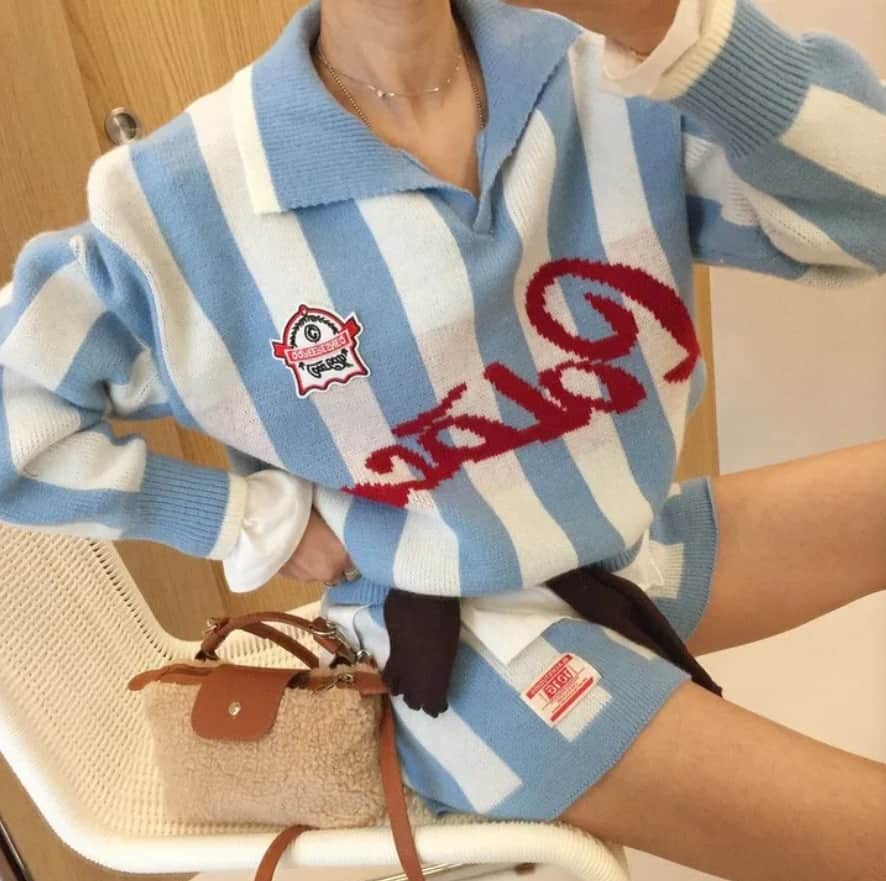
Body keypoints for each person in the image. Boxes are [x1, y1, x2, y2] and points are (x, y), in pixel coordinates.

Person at [1, 0, 884, 877]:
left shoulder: (603, 74)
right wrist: (249, 519)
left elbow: (870, 214)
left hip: (618, 548)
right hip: (457, 658)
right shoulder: (187, 197)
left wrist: (670, 26)